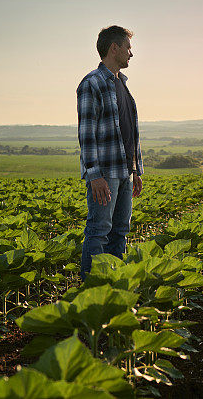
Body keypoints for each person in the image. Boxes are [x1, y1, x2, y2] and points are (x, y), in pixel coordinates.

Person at [76, 25, 143, 279]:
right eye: (128, 48)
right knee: (99, 230)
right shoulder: (92, 83)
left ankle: (113, 286)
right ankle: (91, 287)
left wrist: (135, 170)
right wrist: (94, 175)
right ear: (114, 48)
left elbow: (129, 132)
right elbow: (86, 135)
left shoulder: (122, 85)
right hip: (105, 172)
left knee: (120, 232)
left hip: (125, 172)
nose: (131, 54)